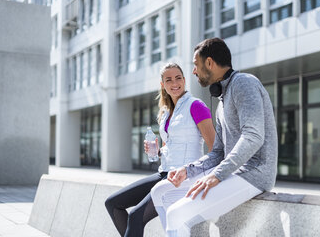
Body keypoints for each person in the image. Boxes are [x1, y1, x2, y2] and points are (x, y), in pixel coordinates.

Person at [151, 38, 278, 237]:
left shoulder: (244, 83)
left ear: (209, 63)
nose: (193, 71)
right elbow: (218, 152)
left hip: (254, 173)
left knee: (176, 213)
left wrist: (217, 175)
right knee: (159, 192)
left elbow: (253, 136)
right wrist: (188, 170)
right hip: (232, 171)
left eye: (196, 65)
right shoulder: (222, 101)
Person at [104, 63, 215, 237]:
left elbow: (214, 146)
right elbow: (170, 146)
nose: (175, 83)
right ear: (163, 84)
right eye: (169, 80)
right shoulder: (166, 112)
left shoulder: (196, 106)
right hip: (164, 173)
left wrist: (208, 178)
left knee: (135, 216)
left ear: (185, 80)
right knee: (112, 203)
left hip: (184, 177)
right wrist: (157, 151)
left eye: (178, 78)